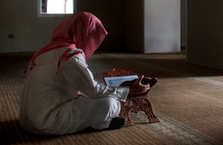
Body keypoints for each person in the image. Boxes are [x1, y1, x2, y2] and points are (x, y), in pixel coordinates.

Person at [20, 11, 151, 135]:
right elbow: (93, 90)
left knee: (92, 96)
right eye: (92, 37)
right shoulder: (70, 56)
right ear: (83, 34)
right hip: (46, 122)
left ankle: (97, 122)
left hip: (28, 120)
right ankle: (97, 124)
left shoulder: (49, 51)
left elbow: (83, 86)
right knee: (111, 103)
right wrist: (128, 90)